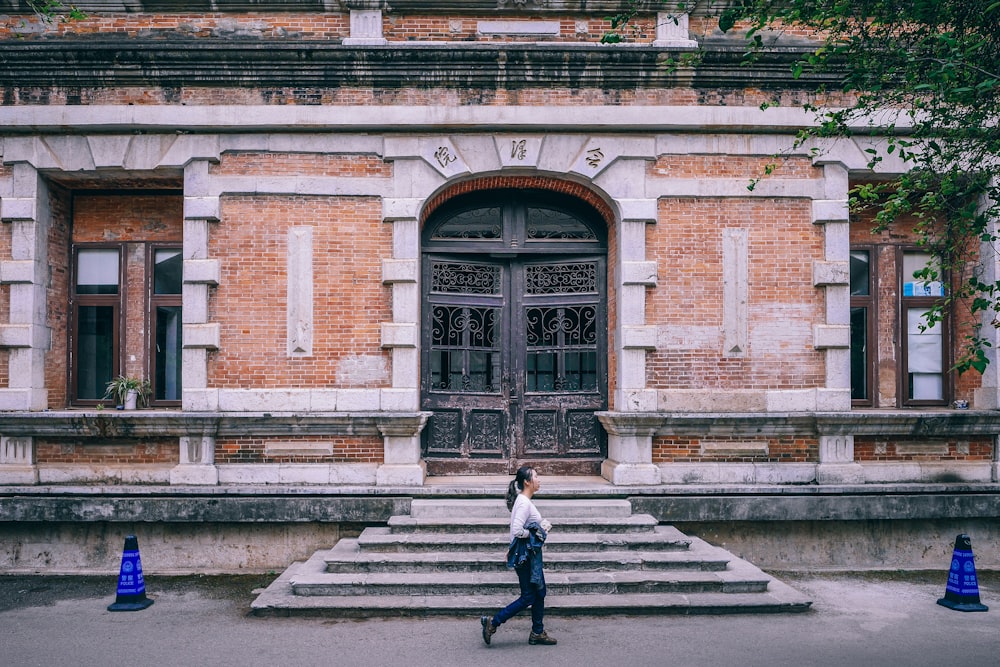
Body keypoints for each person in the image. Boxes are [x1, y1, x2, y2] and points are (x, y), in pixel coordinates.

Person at [480, 465, 557, 646]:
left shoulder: (524, 501)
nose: (539, 480)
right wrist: (534, 534)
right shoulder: (523, 502)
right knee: (529, 596)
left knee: (539, 592)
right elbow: (516, 530)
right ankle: (494, 623)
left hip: (529, 556)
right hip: (526, 558)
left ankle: (537, 632)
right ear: (527, 482)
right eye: (536, 477)